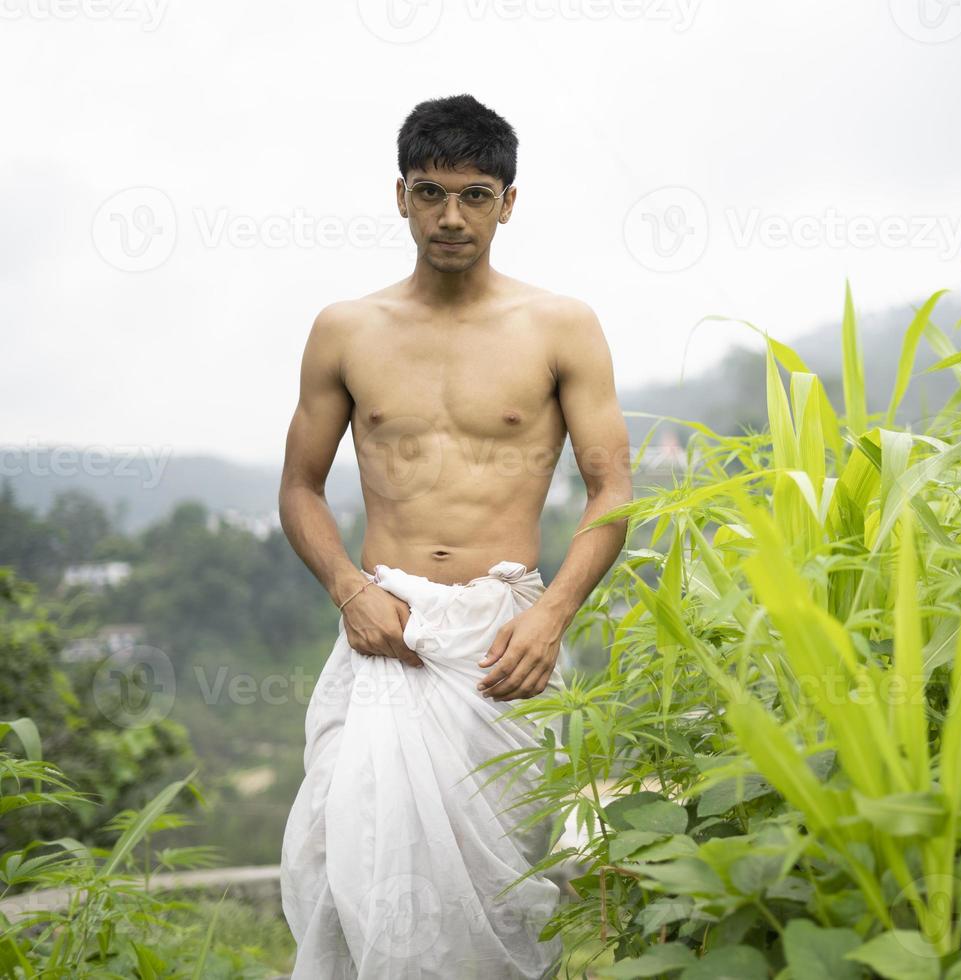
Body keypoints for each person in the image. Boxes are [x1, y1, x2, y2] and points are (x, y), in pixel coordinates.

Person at [277, 94, 632, 979]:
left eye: (474, 195)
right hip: (383, 639)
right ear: (400, 195)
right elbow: (300, 489)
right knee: (348, 867)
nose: (450, 217)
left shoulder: (560, 326)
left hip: (500, 642)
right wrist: (351, 591)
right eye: (430, 193)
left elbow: (613, 489)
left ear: (508, 202)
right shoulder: (346, 329)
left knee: (500, 899)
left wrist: (551, 615)